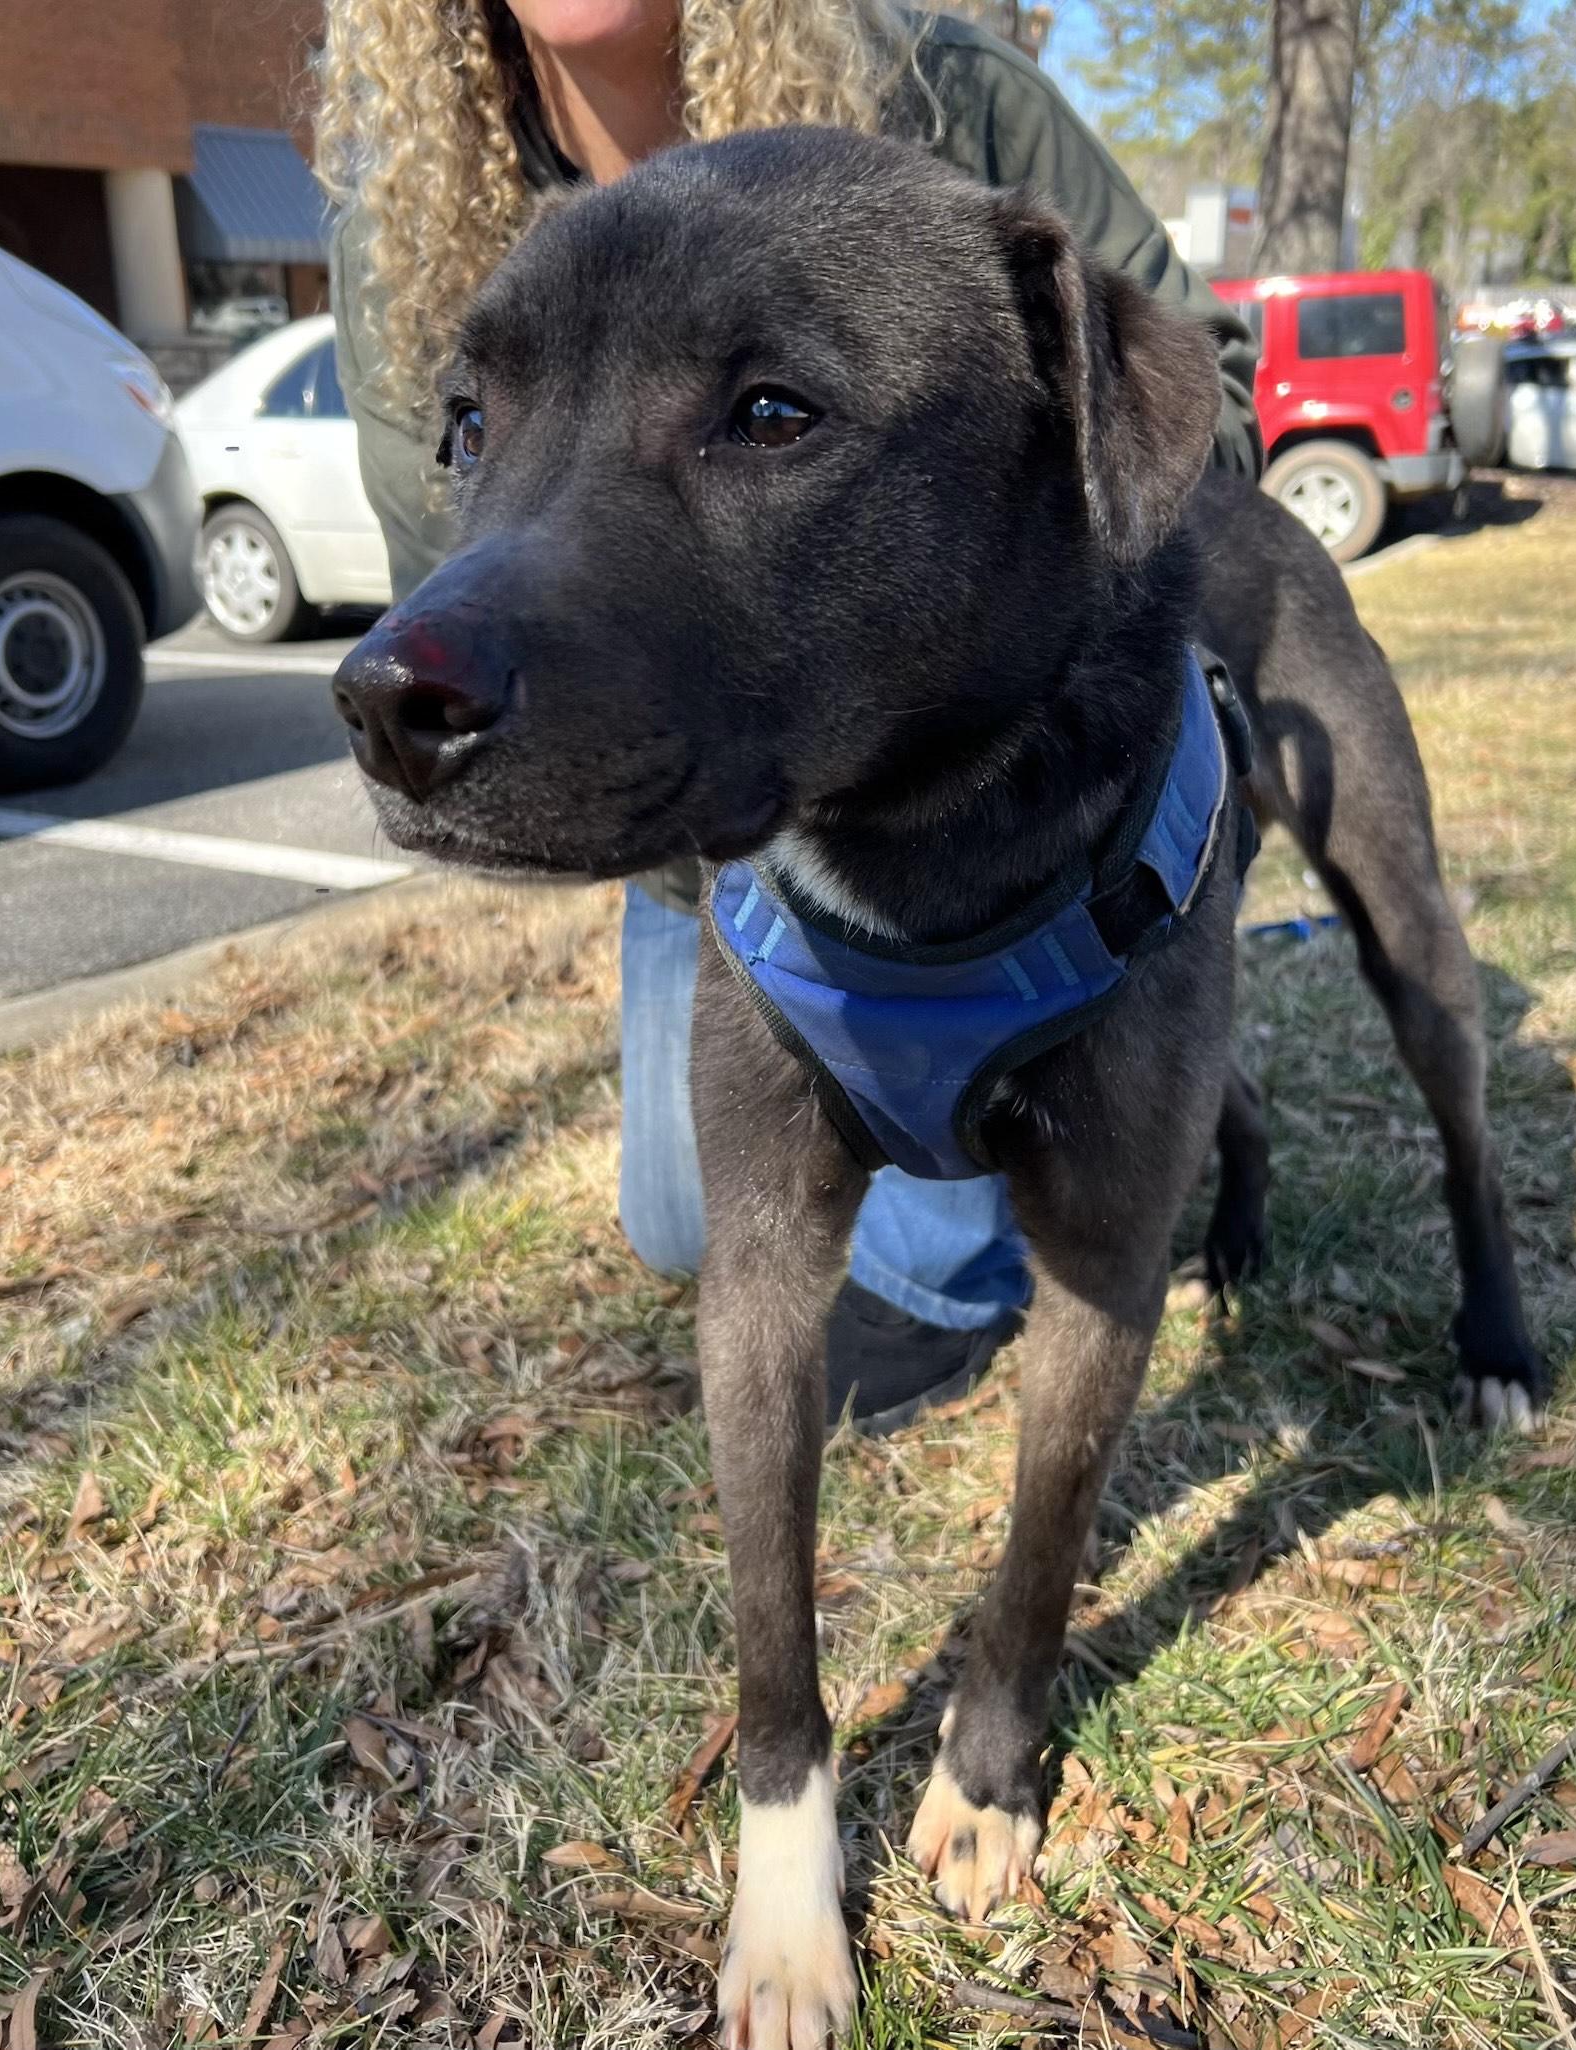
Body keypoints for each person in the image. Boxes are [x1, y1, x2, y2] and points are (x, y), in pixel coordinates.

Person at [316, 0, 1261, 1431]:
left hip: (1003, 827)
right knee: (685, 1229)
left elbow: (1203, 404)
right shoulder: (398, 209)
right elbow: (457, 584)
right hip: (714, 844)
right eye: (475, 420)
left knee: (949, 1257)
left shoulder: (943, 92)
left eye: (766, 414)